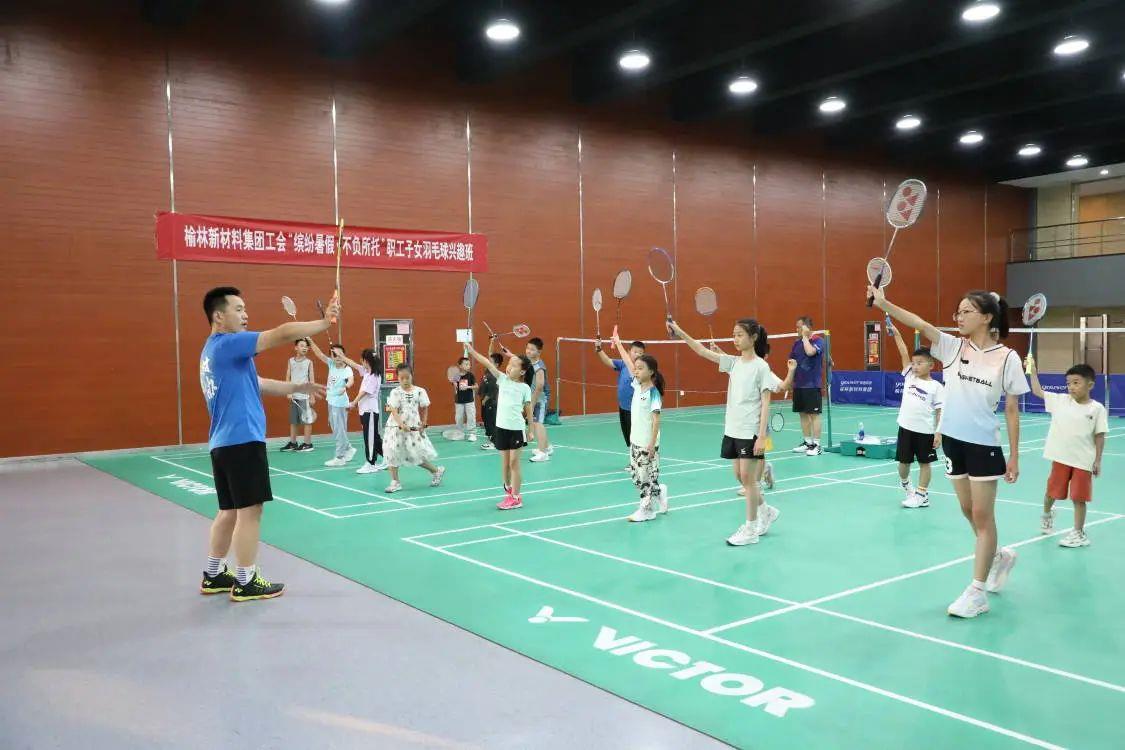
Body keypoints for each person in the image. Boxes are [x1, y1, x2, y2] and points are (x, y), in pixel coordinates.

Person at [871, 286, 1029, 619]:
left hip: (984, 444)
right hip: (954, 441)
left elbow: (1012, 409)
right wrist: (884, 303)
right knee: (968, 510)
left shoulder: (1008, 358)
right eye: (958, 311)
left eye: (966, 311)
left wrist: (1014, 455)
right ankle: (998, 556)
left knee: (983, 517)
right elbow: (919, 323)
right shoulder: (953, 347)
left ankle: (977, 592)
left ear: (986, 317)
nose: (958, 317)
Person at [198, 286, 332, 601]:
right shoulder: (229, 344)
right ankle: (246, 580)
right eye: (238, 309)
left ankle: (214, 574)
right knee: (251, 511)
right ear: (219, 316)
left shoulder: (211, 352)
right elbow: (281, 334)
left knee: (229, 511)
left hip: (222, 443)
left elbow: (258, 383)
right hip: (242, 440)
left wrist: (297, 386)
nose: (245, 315)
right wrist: (324, 323)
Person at [671, 318, 781, 546]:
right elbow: (701, 351)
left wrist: (762, 436)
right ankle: (766, 510)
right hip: (732, 428)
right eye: (734, 335)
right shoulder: (733, 363)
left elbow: (766, 402)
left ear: (753, 338)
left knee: (749, 479)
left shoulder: (761, 366)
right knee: (740, 476)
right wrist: (679, 331)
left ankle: (750, 529)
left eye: (740, 335)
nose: (735, 339)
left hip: (750, 430)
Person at [1027, 359, 1108, 547]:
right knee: (1051, 493)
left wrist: (1098, 460)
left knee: (1079, 498)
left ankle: (1079, 533)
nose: (1071, 387)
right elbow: (1037, 391)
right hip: (1061, 458)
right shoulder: (1060, 401)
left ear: (1090, 385)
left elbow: (1100, 436)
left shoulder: (1097, 409)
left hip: (1083, 461)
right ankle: (1047, 514)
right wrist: (1033, 372)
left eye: (1076, 383)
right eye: (1068, 383)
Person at [708, 341, 797, 494]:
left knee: (759, 454)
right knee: (753, 458)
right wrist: (719, 351)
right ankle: (763, 472)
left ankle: (757, 483)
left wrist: (791, 371)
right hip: (741, 424)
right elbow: (732, 363)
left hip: (759, 421)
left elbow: (783, 386)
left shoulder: (764, 371)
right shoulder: (742, 365)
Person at [465, 339, 534, 509]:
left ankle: (516, 497)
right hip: (501, 428)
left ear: (522, 371)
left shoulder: (525, 388)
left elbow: (529, 410)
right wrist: (472, 352)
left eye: (514, 365)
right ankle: (508, 491)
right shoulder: (502, 379)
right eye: (509, 364)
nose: (509, 367)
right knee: (505, 464)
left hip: (517, 429)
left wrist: (531, 429)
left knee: (514, 463)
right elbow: (488, 363)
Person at [610, 328, 667, 522]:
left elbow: (657, 420)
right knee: (636, 475)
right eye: (636, 368)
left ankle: (647, 509)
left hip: (647, 443)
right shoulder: (636, 385)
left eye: (640, 368)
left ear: (651, 372)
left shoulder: (653, 393)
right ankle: (659, 491)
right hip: (635, 440)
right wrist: (618, 343)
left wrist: (651, 444)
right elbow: (627, 361)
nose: (636, 370)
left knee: (644, 478)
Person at [887, 322, 944, 509]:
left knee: (925, 463)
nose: (915, 366)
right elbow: (903, 352)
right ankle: (907, 485)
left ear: (931, 365)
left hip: (925, 432)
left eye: (920, 363)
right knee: (903, 465)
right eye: (914, 363)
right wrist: (896, 333)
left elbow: (940, 411)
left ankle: (921, 495)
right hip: (905, 428)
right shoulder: (909, 376)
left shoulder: (936, 387)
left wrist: (938, 432)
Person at [383, 363, 445, 493]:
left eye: (407, 377)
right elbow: (393, 410)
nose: (405, 381)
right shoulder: (395, 392)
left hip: (413, 428)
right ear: (398, 378)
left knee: (415, 455)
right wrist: (401, 424)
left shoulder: (420, 391)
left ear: (412, 376)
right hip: (395, 429)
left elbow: (425, 407)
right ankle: (395, 482)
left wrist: (424, 423)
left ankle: (436, 471)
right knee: (391, 452)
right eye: (402, 378)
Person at [596, 337, 647, 471]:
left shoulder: (640, 369)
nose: (638, 354)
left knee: (635, 436)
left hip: (635, 409)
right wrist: (599, 349)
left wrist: (618, 343)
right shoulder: (623, 364)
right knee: (628, 436)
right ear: (629, 352)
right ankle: (635, 460)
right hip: (623, 407)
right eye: (635, 352)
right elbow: (608, 361)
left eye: (640, 353)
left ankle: (637, 462)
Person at [309, 339, 356, 467]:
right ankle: (349, 448)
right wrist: (311, 341)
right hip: (331, 401)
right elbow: (319, 354)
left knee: (339, 430)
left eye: (340, 354)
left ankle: (340, 457)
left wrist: (346, 387)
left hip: (340, 403)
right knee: (336, 429)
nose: (337, 357)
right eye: (334, 355)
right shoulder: (331, 364)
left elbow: (351, 380)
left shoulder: (347, 369)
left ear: (344, 355)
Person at [347, 348, 388, 474]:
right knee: (374, 437)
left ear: (367, 361)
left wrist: (353, 403)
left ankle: (371, 463)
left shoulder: (373, 376)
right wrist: (341, 356)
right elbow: (353, 364)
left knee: (369, 438)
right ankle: (388, 458)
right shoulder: (367, 371)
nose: (360, 361)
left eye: (362, 359)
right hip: (365, 410)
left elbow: (364, 392)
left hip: (369, 411)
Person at [790, 316, 825, 456]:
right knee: (802, 414)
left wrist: (805, 337)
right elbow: (792, 362)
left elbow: (810, 352)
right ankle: (807, 442)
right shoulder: (796, 343)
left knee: (814, 415)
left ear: (807, 327)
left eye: (799, 327)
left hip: (812, 385)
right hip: (799, 384)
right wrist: (790, 380)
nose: (796, 329)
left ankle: (817, 445)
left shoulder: (818, 341)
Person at [280, 338, 316, 452]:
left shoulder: (309, 362)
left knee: (307, 420)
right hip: (294, 396)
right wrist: (288, 391)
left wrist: (312, 396)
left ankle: (308, 444)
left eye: (306, 346)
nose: (304, 348)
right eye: (302, 345)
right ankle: (293, 443)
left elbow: (311, 380)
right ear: (296, 348)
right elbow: (288, 376)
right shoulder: (291, 361)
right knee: (293, 421)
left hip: (305, 396)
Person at [525, 337, 554, 462]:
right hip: (535, 397)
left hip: (540, 399)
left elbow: (540, 385)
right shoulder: (531, 361)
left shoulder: (539, 367)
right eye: (527, 348)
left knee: (538, 424)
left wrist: (532, 403)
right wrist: (510, 354)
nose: (528, 351)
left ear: (539, 352)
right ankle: (547, 447)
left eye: (532, 349)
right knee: (537, 423)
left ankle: (543, 453)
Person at [479, 350, 504, 451]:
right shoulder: (488, 371)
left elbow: (493, 390)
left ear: (496, 365)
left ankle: (494, 442)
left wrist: (485, 399)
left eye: (491, 361)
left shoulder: (494, 375)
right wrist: (492, 342)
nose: (488, 362)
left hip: (491, 403)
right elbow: (489, 353)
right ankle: (491, 438)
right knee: (486, 420)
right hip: (485, 401)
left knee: (491, 422)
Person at [454, 355, 478, 442]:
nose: (468, 366)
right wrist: (455, 384)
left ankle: (472, 434)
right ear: (460, 366)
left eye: (469, 364)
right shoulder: (456, 375)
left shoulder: (470, 375)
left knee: (471, 417)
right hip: (459, 401)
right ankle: (459, 433)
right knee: (459, 418)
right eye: (466, 364)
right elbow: (455, 386)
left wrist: (468, 387)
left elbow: (476, 386)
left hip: (469, 401)